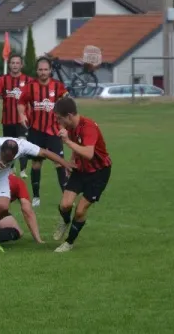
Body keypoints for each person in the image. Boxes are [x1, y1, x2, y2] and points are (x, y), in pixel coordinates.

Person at [51, 97, 112, 253]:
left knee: (80, 210)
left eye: (60, 118)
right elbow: (77, 148)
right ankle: (64, 221)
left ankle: (69, 242)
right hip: (80, 170)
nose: (59, 122)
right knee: (65, 205)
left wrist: (66, 142)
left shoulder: (88, 127)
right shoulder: (71, 127)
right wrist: (70, 163)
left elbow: (89, 153)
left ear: (69, 116)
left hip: (99, 173)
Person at [17, 57, 69, 207]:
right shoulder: (30, 87)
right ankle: (36, 196)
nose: (43, 72)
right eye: (40, 69)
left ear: (50, 70)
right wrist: (22, 114)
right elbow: (21, 102)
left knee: (59, 163)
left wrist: (65, 124)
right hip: (36, 131)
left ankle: (65, 196)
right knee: (36, 164)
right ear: (37, 70)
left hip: (53, 132)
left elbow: (68, 103)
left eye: (46, 69)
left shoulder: (58, 86)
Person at [0, 54, 34, 178]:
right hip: (8, 119)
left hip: (23, 119)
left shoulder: (29, 80)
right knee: (9, 145)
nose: (15, 65)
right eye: (13, 63)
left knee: (23, 143)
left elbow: (34, 98)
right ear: (9, 65)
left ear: (21, 65)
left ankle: (23, 170)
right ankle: (11, 169)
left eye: (17, 63)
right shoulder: (3, 80)